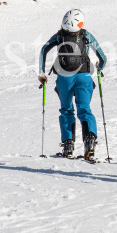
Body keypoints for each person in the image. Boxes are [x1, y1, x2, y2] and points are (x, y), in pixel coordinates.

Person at [38, 9, 107, 161]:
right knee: (84, 108)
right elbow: (103, 57)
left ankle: (68, 145)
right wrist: (100, 67)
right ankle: (90, 142)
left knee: (67, 110)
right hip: (84, 77)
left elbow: (44, 50)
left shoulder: (59, 36)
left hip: (64, 78)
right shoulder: (86, 35)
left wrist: (42, 73)